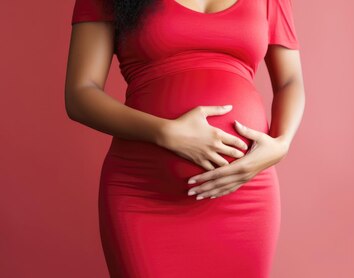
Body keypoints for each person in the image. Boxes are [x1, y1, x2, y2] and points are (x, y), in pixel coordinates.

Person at [64, 0, 305, 276]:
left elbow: (290, 81)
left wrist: (281, 144)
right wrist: (167, 133)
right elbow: (80, 94)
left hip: (244, 195)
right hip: (145, 193)